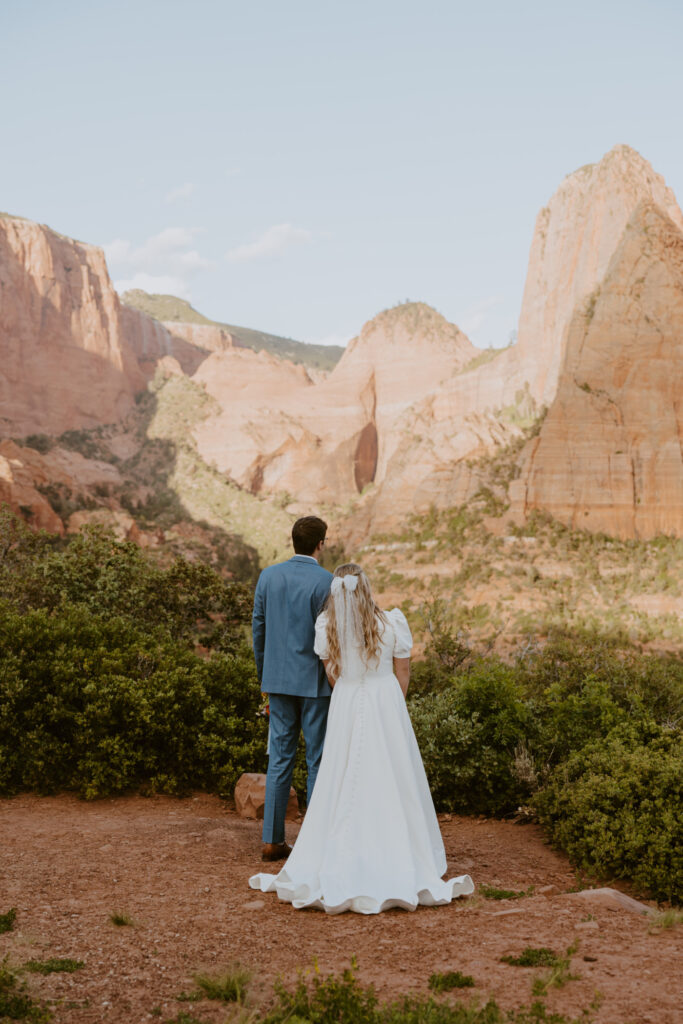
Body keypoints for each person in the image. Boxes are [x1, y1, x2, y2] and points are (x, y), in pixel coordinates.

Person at [249, 562, 474, 913]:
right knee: (390, 777)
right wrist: (389, 707)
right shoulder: (392, 622)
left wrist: (355, 693)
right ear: (367, 589)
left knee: (342, 776)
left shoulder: (327, 626)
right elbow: (403, 673)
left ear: (336, 593)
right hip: (387, 703)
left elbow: (333, 675)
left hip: (347, 703)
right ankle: (397, 850)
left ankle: (340, 850)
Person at [252, 515, 333, 861]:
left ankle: (272, 840)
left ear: (293, 541)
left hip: (278, 681)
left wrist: (264, 676)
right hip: (315, 684)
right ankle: (313, 845)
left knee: (280, 759)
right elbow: (331, 638)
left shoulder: (268, 576)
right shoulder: (327, 582)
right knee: (317, 760)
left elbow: (258, 627)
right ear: (320, 544)